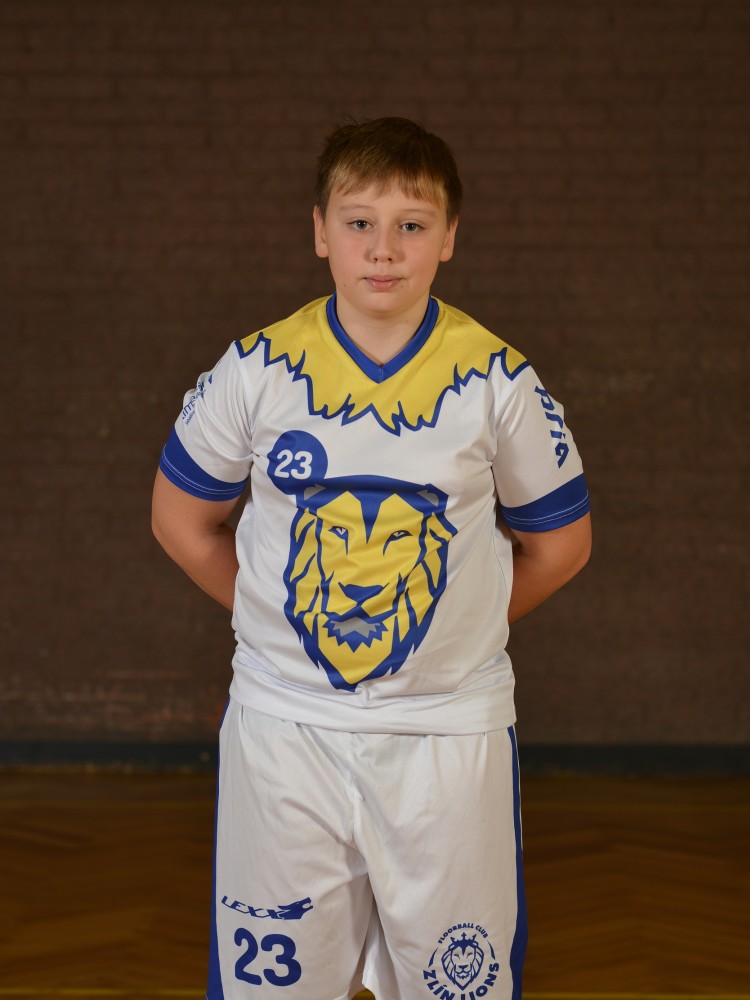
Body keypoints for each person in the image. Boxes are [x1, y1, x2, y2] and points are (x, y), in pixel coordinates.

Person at [152, 116, 591, 1000]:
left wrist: (456, 625)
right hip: (285, 733)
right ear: (320, 231)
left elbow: (562, 545)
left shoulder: (500, 380)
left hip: (447, 736)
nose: (383, 249)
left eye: (411, 225)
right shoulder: (256, 368)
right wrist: (278, 617)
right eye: (359, 222)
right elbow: (181, 522)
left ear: (449, 237)